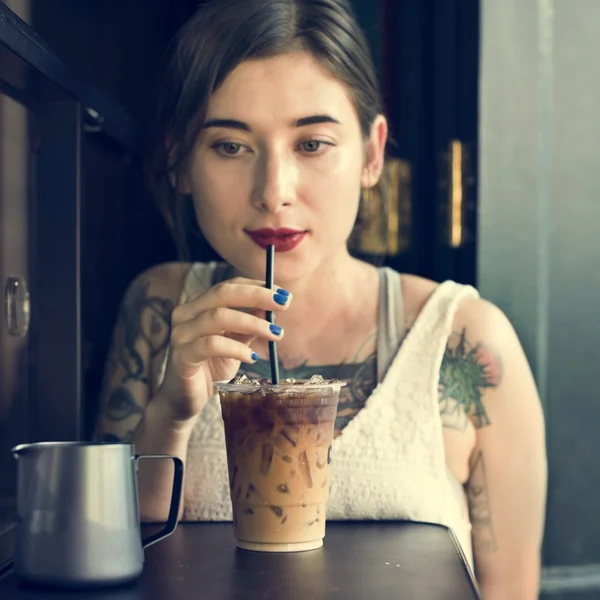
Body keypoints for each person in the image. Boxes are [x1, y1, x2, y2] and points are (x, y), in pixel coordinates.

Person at [94, 0, 547, 597]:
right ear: (180, 160)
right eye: (230, 146)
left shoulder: (466, 341)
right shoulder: (158, 309)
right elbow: (112, 558)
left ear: (372, 152)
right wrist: (172, 413)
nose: (274, 192)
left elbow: (509, 590)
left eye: (311, 144)